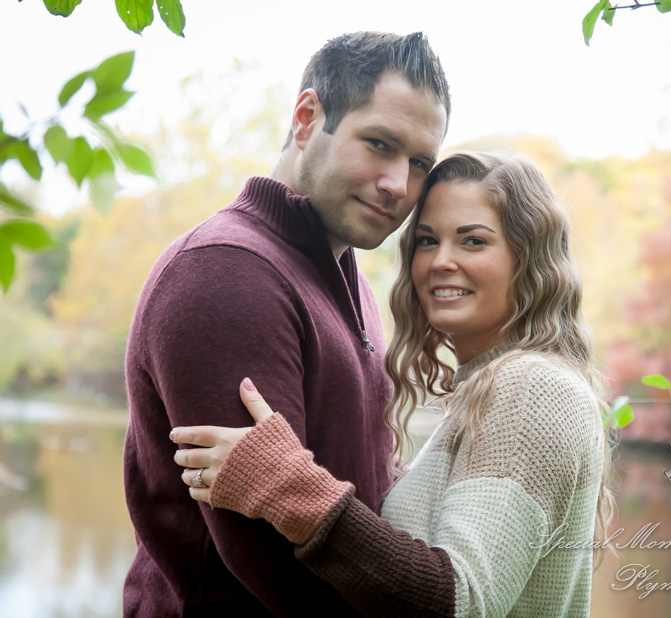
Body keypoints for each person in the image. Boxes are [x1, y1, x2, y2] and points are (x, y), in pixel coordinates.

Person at [171, 152, 616, 617]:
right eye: (427, 240)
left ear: (530, 258)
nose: (442, 261)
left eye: (473, 241)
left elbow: (459, 603)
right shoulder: (488, 389)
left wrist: (286, 485)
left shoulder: (533, 386)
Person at [123, 32, 451, 616]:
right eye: (379, 144)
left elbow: (354, 477)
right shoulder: (227, 272)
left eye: (420, 164)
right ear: (306, 120)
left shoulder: (344, 276)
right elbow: (270, 566)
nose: (399, 185)